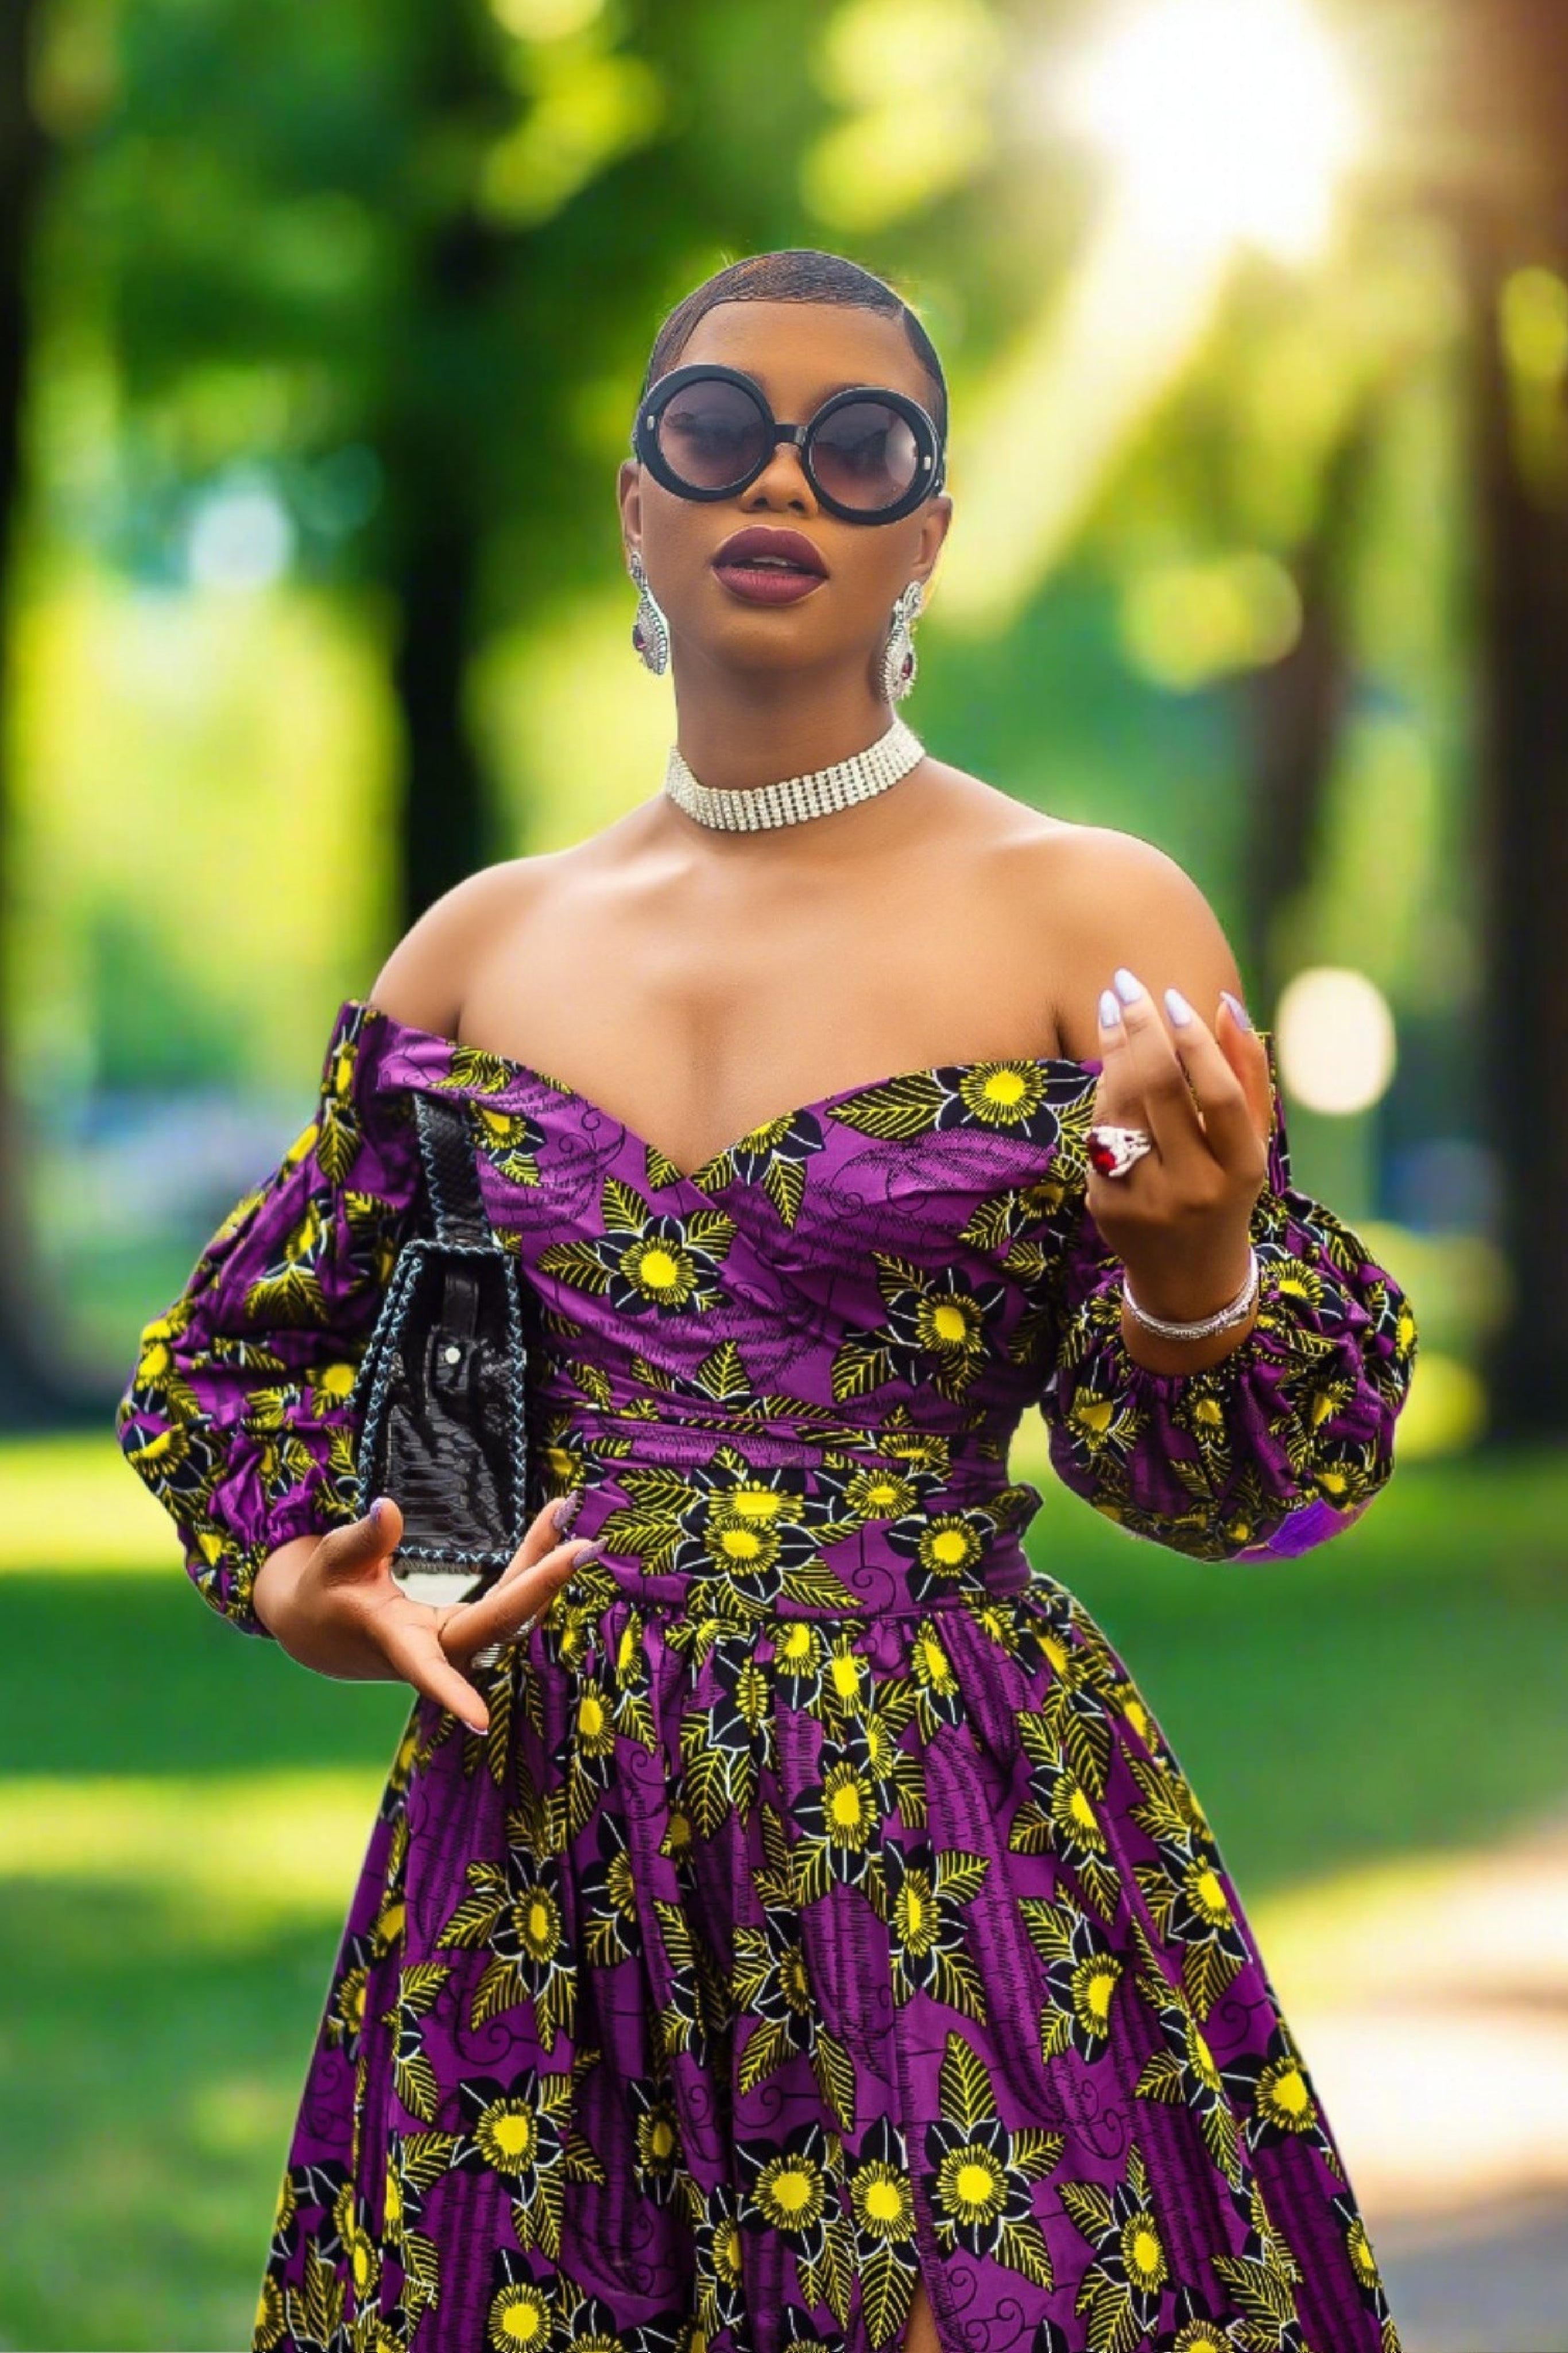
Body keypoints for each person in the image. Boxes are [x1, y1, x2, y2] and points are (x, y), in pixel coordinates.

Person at [116, 249, 1416, 2353]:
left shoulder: (1087, 912)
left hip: (936, 1810)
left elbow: (1251, 1476)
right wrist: (306, 1578)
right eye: (717, 434)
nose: (778, 483)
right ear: (640, 502)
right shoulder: (478, 952)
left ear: (930, 521)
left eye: (857, 444)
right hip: (532, 1832)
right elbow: (243, 1359)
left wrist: (1192, 1275)